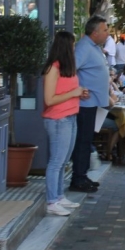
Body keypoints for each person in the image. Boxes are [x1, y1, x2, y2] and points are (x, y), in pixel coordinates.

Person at [41, 31, 87, 216]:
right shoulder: (53, 68)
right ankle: (52, 200)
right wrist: (74, 93)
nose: (75, 48)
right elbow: (49, 99)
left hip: (70, 116)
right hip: (58, 119)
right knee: (56, 161)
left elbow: (67, 91)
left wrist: (80, 93)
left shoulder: (65, 67)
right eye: (73, 45)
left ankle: (59, 196)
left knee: (63, 160)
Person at [71, 16, 110, 193]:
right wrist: (79, 88)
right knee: (83, 141)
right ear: (95, 33)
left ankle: (83, 175)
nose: (107, 33)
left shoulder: (94, 47)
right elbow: (71, 70)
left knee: (87, 140)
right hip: (85, 104)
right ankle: (78, 178)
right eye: (105, 30)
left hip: (94, 103)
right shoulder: (84, 47)